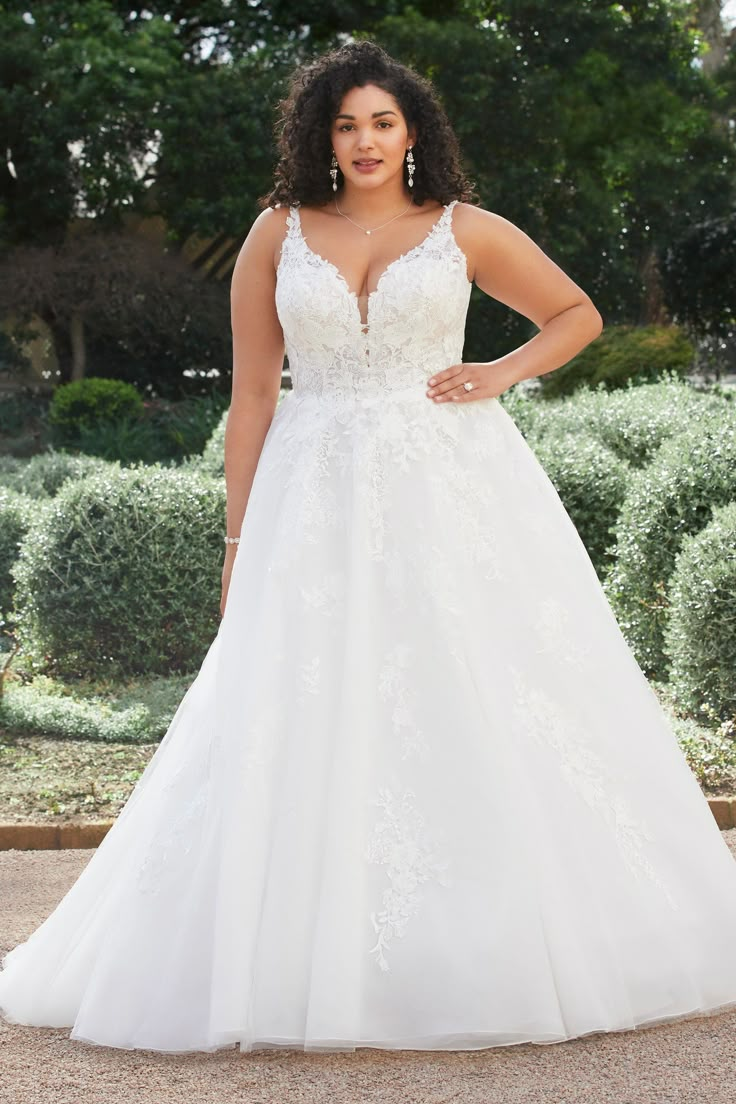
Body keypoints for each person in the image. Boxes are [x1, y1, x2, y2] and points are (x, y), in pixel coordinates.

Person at [2, 39, 736, 1057]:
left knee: (473, 688)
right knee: (299, 699)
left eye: (382, 122)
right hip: (313, 491)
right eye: (345, 124)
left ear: (413, 131)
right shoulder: (276, 233)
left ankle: (487, 944)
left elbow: (575, 314)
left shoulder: (463, 229)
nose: (364, 141)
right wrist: (235, 535)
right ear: (321, 134)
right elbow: (253, 395)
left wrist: (498, 371)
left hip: (453, 488)